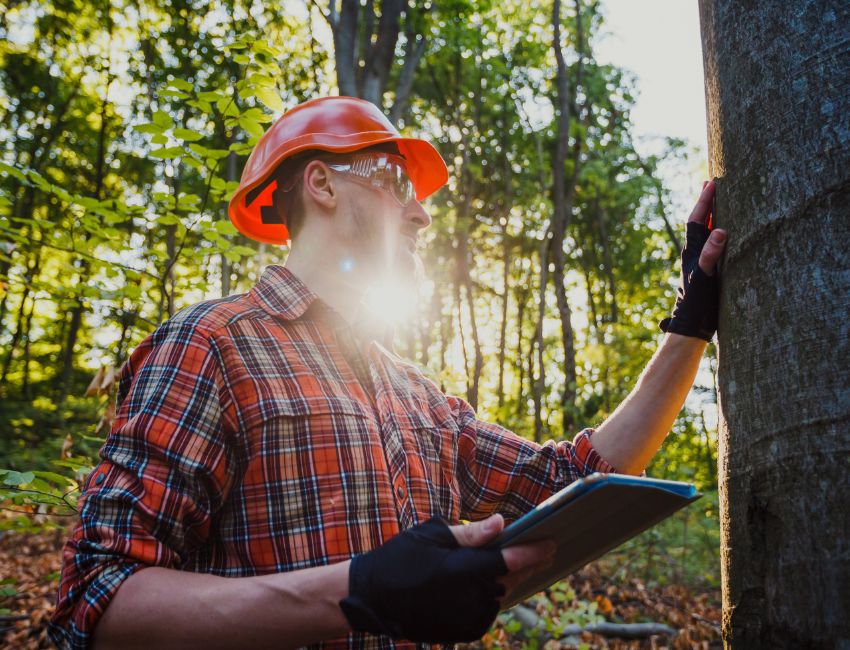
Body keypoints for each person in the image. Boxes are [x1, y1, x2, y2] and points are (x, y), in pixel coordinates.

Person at [48, 96, 727, 650]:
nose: (423, 212)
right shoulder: (211, 345)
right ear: (321, 183)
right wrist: (360, 592)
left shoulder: (418, 396)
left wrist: (691, 317)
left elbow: (574, 481)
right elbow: (99, 597)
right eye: (398, 183)